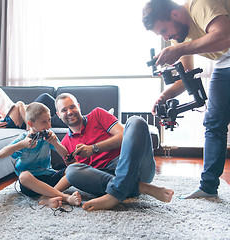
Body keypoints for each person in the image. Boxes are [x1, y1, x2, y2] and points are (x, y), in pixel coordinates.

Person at [142, 0, 230, 199]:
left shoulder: (200, 4)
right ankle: (208, 188)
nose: (166, 37)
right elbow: (186, 76)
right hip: (226, 60)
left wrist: (180, 49)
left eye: (164, 30)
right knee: (214, 123)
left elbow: (224, 36)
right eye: (161, 35)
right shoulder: (178, 38)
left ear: (175, 14)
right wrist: (165, 96)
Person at [55, 93, 174, 211]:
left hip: (133, 166)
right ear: (58, 115)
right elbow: (78, 173)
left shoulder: (97, 114)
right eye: (64, 110)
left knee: (136, 121)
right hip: (106, 177)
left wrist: (93, 148)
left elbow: (124, 135)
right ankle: (141, 188)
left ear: (79, 106)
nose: (69, 112)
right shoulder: (64, 143)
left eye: (72, 107)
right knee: (71, 171)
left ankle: (114, 195)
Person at [0, 102, 81, 208]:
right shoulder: (23, 138)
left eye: (49, 120)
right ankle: (65, 197)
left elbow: (65, 155)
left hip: (49, 176)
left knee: (75, 167)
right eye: (44, 122)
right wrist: (20, 145)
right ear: (31, 124)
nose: (49, 125)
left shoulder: (49, 135)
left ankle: (46, 198)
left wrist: (55, 143)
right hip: (31, 183)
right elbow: (0, 154)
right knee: (23, 176)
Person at [0, 69, 66, 128]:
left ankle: (73, 117)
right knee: (40, 113)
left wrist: (24, 108)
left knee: (45, 102)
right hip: (11, 120)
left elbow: (11, 105)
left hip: (17, 114)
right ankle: (75, 118)